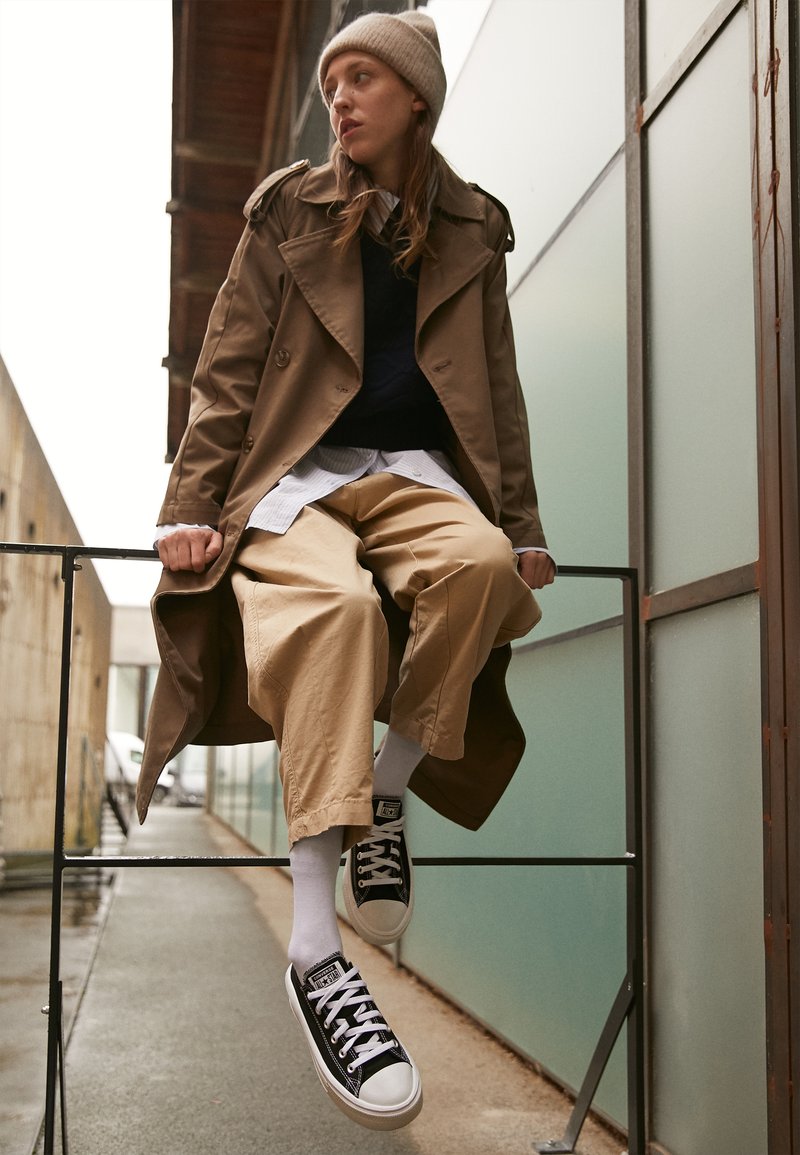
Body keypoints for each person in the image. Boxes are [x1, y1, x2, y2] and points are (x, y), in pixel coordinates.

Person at [138, 8, 555, 1133]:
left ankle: (385, 792)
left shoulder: (471, 228)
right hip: (296, 475)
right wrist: (190, 509)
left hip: (414, 472)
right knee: (332, 607)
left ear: (416, 98)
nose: (339, 98)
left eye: (362, 78)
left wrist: (519, 521)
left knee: (480, 571)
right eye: (331, 82)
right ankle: (316, 947)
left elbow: (498, 392)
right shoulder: (288, 211)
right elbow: (228, 373)